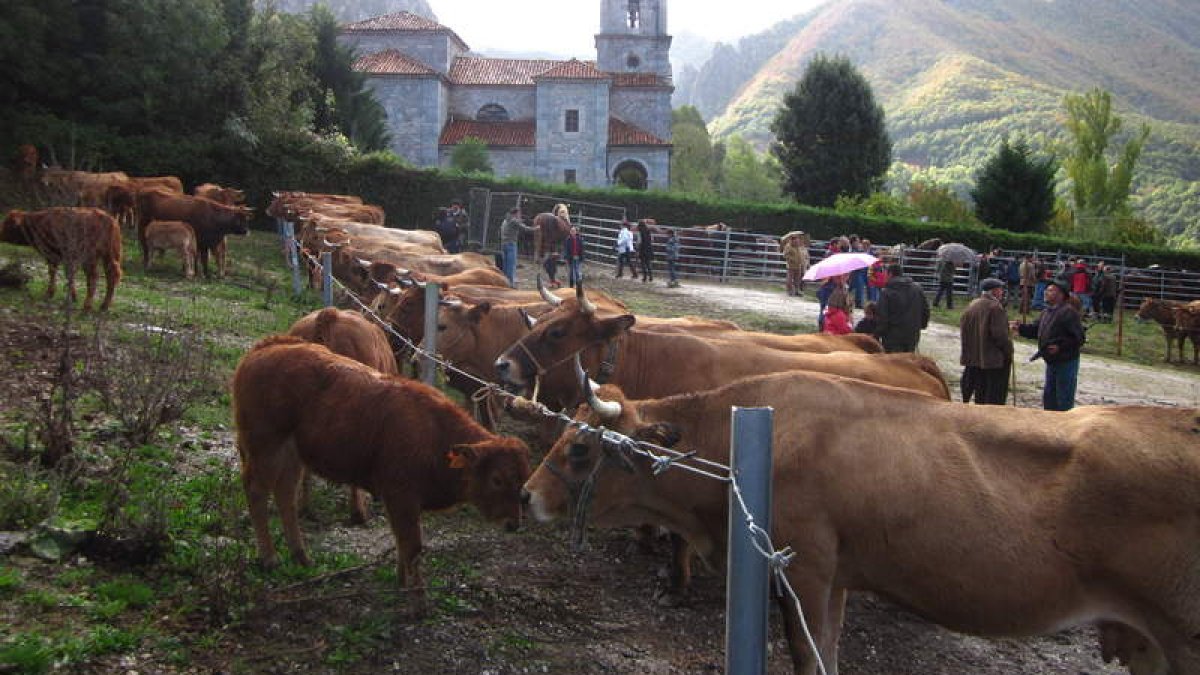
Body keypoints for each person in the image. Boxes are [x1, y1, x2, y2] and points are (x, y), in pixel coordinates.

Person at [1011, 277, 1086, 411]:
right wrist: (1020, 328)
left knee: (1063, 398)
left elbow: (1079, 338)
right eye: (1047, 290)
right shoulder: (1047, 312)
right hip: (1051, 361)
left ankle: (1065, 425)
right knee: (1049, 397)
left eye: (1051, 290)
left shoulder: (1068, 313)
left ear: (1061, 295)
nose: (1046, 292)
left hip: (1066, 362)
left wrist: (1060, 347)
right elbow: (1036, 330)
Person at [959, 278, 1014, 405]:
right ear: (994, 291)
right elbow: (999, 335)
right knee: (993, 395)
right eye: (1000, 289)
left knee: (980, 392)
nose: (1002, 292)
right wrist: (1008, 348)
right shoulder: (995, 308)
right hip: (993, 359)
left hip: (975, 357)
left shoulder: (973, 304)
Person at [874, 263, 930, 353]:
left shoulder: (886, 292)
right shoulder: (917, 289)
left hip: (893, 337)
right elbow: (926, 310)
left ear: (890, 274)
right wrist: (921, 326)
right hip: (912, 334)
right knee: (908, 363)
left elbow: (883, 317)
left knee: (893, 364)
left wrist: (877, 334)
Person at [499, 207, 535, 287]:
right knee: (511, 265)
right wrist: (536, 229)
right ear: (516, 214)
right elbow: (525, 228)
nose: (520, 215)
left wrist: (521, 220)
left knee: (505, 264)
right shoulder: (514, 221)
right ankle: (510, 283)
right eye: (519, 213)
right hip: (511, 244)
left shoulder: (505, 220)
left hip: (504, 244)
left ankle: (504, 281)